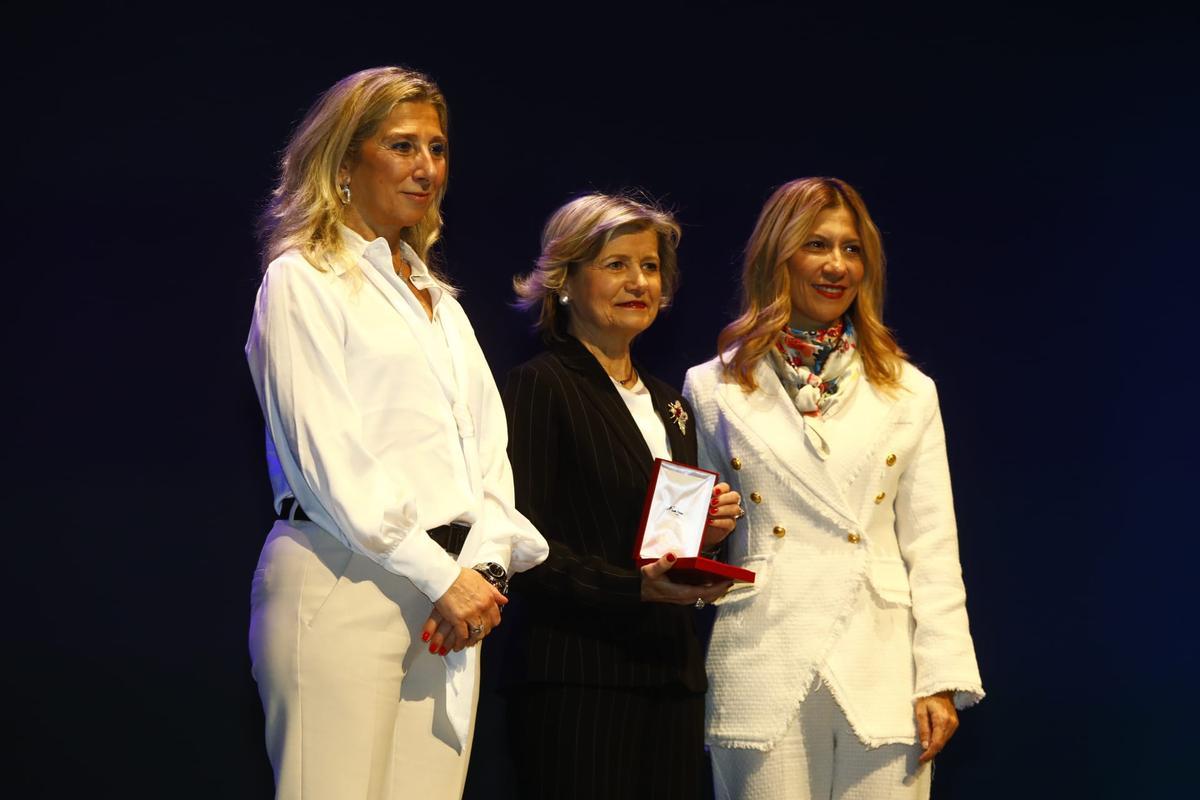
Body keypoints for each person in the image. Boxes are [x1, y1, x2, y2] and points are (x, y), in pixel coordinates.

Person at [244, 66, 547, 800]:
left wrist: (485, 569)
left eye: (437, 149)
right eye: (402, 145)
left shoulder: (437, 299)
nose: (427, 168)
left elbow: (487, 456)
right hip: (343, 581)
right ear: (345, 162)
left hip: (448, 604)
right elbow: (329, 459)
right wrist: (443, 576)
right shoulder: (304, 280)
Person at [683, 177, 985, 799]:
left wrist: (941, 676)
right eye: (817, 245)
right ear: (778, 256)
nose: (837, 265)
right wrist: (706, 537)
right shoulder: (710, 388)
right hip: (762, 653)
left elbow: (933, 546)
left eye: (852, 250)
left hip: (881, 662)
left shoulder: (908, 390)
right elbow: (694, 545)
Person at [500, 193, 744, 799]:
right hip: (578, 681)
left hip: (669, 676)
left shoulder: (670, 403)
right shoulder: (539, 386)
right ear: (563, 280)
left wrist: (703, 538)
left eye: (651, 266)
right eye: (616, 265)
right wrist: (633, 587)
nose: (639, 281)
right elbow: (519, 547)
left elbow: (649, 536)